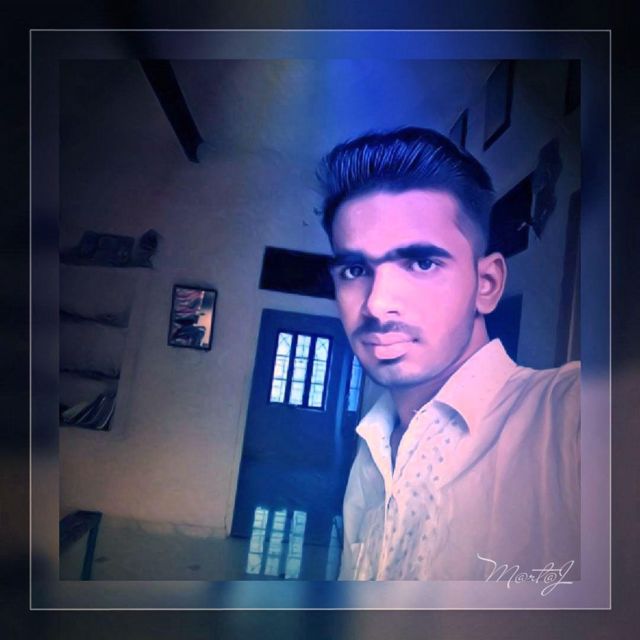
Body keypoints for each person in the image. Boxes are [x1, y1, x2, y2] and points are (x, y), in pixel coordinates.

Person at [316, 126, 580, 581]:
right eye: (355, 270)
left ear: (486, 284)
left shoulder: (568, 419)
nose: (377, 304)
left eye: (421, 263)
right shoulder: (372, 448)